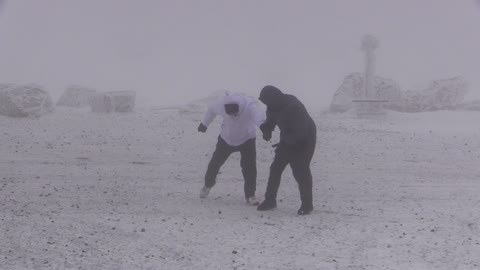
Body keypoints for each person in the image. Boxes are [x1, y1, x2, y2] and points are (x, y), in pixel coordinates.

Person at [256, 85, 317, 215]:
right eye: (264, 102)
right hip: (287, 138)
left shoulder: (294, 107)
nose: (266, 104)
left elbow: (300, 132)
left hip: (305, 139)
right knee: (275, 169)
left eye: (267, 101)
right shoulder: (272, 106)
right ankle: (270, 200)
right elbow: (270, 121)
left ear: (274, 98)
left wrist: (285, 144)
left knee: (300, 171)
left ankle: (307, 205)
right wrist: (266, 130)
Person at [197, 92, 265, 205]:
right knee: (215, 163)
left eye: (235, 113)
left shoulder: (249, 105)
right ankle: (207, 185)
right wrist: (204, 124)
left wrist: (264, 127)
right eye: (230, 114)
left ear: (239, 108)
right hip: (226, 139)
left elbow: (258, 117)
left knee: (249, 168)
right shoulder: (220, 103)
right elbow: (211, 111)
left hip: (247, 139)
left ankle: (250, 195)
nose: (234, 116)